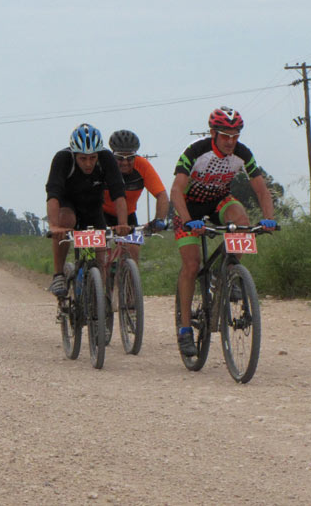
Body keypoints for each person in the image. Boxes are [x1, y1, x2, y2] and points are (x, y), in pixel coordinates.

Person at [171, 107, 277, 357]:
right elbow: (176, 191)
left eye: (235, 136)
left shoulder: (243, 154)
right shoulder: (195, 152)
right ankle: (185, 329)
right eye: (225, 135)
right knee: (191, 264)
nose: (231, 141)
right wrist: (187, 221)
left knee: (241, 220)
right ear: (213, 133)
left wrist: (269, 219)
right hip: (189, 207)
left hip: (218, 200)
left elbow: (262, 190)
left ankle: (229, 274)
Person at [46, 123, 130, 298]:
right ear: (75, 154)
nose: (88, 163)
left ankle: (101, 306)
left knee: (101, 264)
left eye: (92, 158)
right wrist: (54, 226)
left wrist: (123, 224)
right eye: (83, 159)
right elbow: (53, 195)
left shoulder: (107, 159)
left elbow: (119, 195)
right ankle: (59, 275)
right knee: (66, 220)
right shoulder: (63, 159)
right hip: (68, 205)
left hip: (93, 207)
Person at [102, 129, 169, 262]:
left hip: (128, 216)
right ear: (113, 155)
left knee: (133, 250)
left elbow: (161, 195)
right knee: (99, 254)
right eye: (120, 158)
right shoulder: (104, 165)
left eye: (130, 157)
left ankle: (129, 281)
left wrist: (159, 220)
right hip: (101, 213)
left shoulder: (142, 166)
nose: (125, 162)